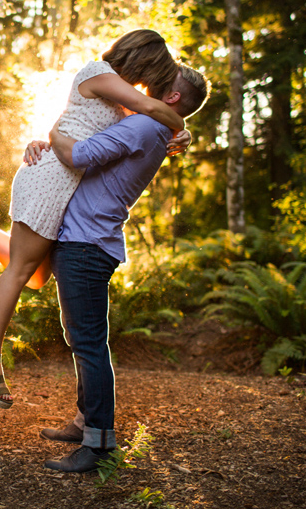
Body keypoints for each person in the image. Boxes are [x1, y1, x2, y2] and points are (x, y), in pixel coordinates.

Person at [0, 30, 192, 410]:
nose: (154, 81)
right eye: (156, 70)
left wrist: (178, 130)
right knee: (20, 271)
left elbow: (98, 124)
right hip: (50, 179)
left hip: (61, 180)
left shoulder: (119, 94)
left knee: (36, 277)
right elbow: (153, 112)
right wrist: (184, 128)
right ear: (144, 60)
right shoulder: (101, 73)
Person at [33, 63, 210, 473]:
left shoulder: (144, 128)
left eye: (164, 80)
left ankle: (98, 446)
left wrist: (53, 131)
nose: (153, 79)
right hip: (88, 240)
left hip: (86, 243)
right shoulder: (152, 124)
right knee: (83, 338)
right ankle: (84, 423)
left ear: (173, 98)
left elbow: (77, 153)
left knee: (89, 343)